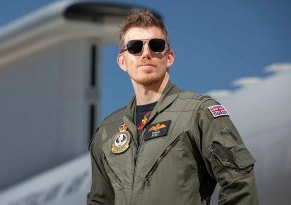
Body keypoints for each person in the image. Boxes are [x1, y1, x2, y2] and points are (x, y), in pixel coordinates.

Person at [87, 9, 258, 205]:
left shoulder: (199, 113)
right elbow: (100, 201)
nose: (146, 53)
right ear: (122, 61)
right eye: (134, 47)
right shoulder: (107, 131)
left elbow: (239, 183)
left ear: (169, 57)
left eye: (156, 45)